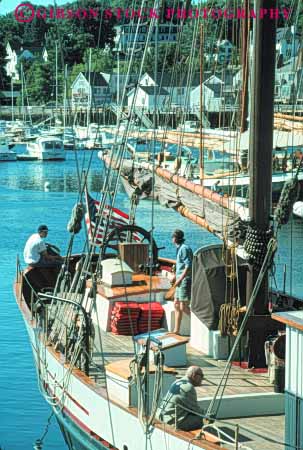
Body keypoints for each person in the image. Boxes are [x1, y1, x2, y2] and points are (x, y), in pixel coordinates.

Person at [157, 366, 204, 431]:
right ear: (194, 375)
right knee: (201, 419)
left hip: (162, 416)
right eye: (201, 375)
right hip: (170, 422)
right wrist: (207, 414)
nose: (202, 378)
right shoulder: (188, 387)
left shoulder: (177, 381)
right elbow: (196, 410)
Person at [171, 229, 193, 335]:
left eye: (173, 237)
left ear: (175, 238)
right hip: (179, 280)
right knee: (176, 304)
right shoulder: (179, 249)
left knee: (183, 306)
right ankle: (176, 330)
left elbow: (188, 266)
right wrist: (175, 277)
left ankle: (198, 323)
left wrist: (179, 279)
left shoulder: (184, 249)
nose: (172, 239)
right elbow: (181, 266)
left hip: (184, 280)